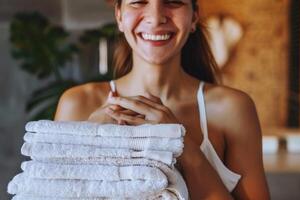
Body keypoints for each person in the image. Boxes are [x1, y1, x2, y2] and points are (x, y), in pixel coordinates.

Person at [54, 0, 270, 199]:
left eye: (173, 1)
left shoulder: (232, 109)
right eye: (139, 2)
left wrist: (182, 146)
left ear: (194, 16)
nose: (156, 17)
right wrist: (90, 143)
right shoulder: (78, 104)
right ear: (119, 16)